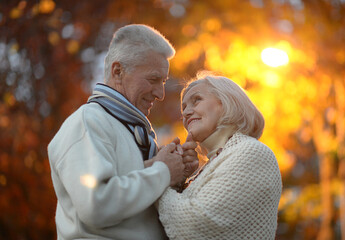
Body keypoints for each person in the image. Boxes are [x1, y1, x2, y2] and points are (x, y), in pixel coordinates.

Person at [48, 24, 198, 240]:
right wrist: (163, 171)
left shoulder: (132, 128)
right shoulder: (88, 123)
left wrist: (177, 175)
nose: (160, 93)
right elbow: (96, 204)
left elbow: (136, 199)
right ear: (118, 71)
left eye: (163, 82)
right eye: (153, 79)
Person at [157, 72, 283, 239]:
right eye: (184, 107)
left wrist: (159, 176)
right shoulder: (221, 158)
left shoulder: (251, 152)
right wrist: (179, 178)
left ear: (227, 103)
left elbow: (192, 226)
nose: (186, 112)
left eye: (197, 100)